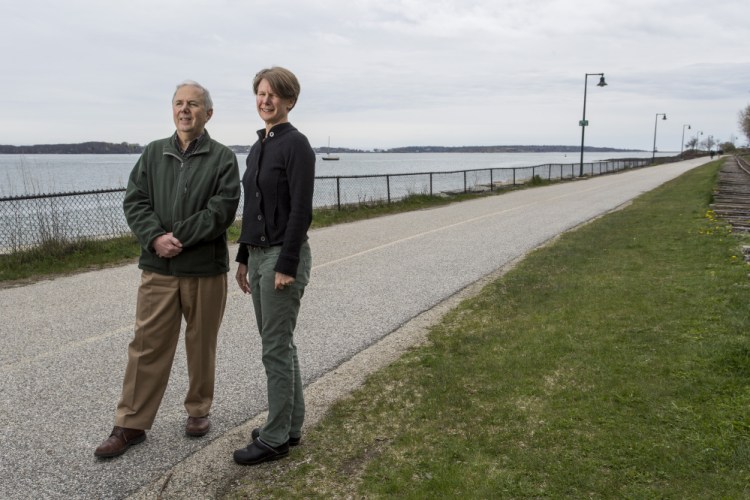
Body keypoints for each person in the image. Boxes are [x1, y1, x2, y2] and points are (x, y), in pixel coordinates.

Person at [94, 80, 241, 458]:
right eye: (179, 103)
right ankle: (131, 424)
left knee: (201, 343)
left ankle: (198, 410)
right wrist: (155, 238)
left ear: (208, 113)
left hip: (204, 270)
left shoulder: (223, 157)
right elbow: (135, 202)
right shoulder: (153, 153)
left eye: (193, 104)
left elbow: (221, 210)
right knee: (146, 346)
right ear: (172, 110)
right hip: (157, 269)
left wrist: (179, 237)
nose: (185, 109)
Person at [232, 67, 315, 466]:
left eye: (273, 95)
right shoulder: (258, 146)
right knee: (280, 343)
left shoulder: (296, 145)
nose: (265, 101)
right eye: (261, 94)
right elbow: (253, 208)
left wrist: (287, 264)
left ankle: (275, 437)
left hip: (284, 256)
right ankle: (291, 425)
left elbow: (301, 210)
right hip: (259, 255)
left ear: (289, 101)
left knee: (274, 348)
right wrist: (243, 257)